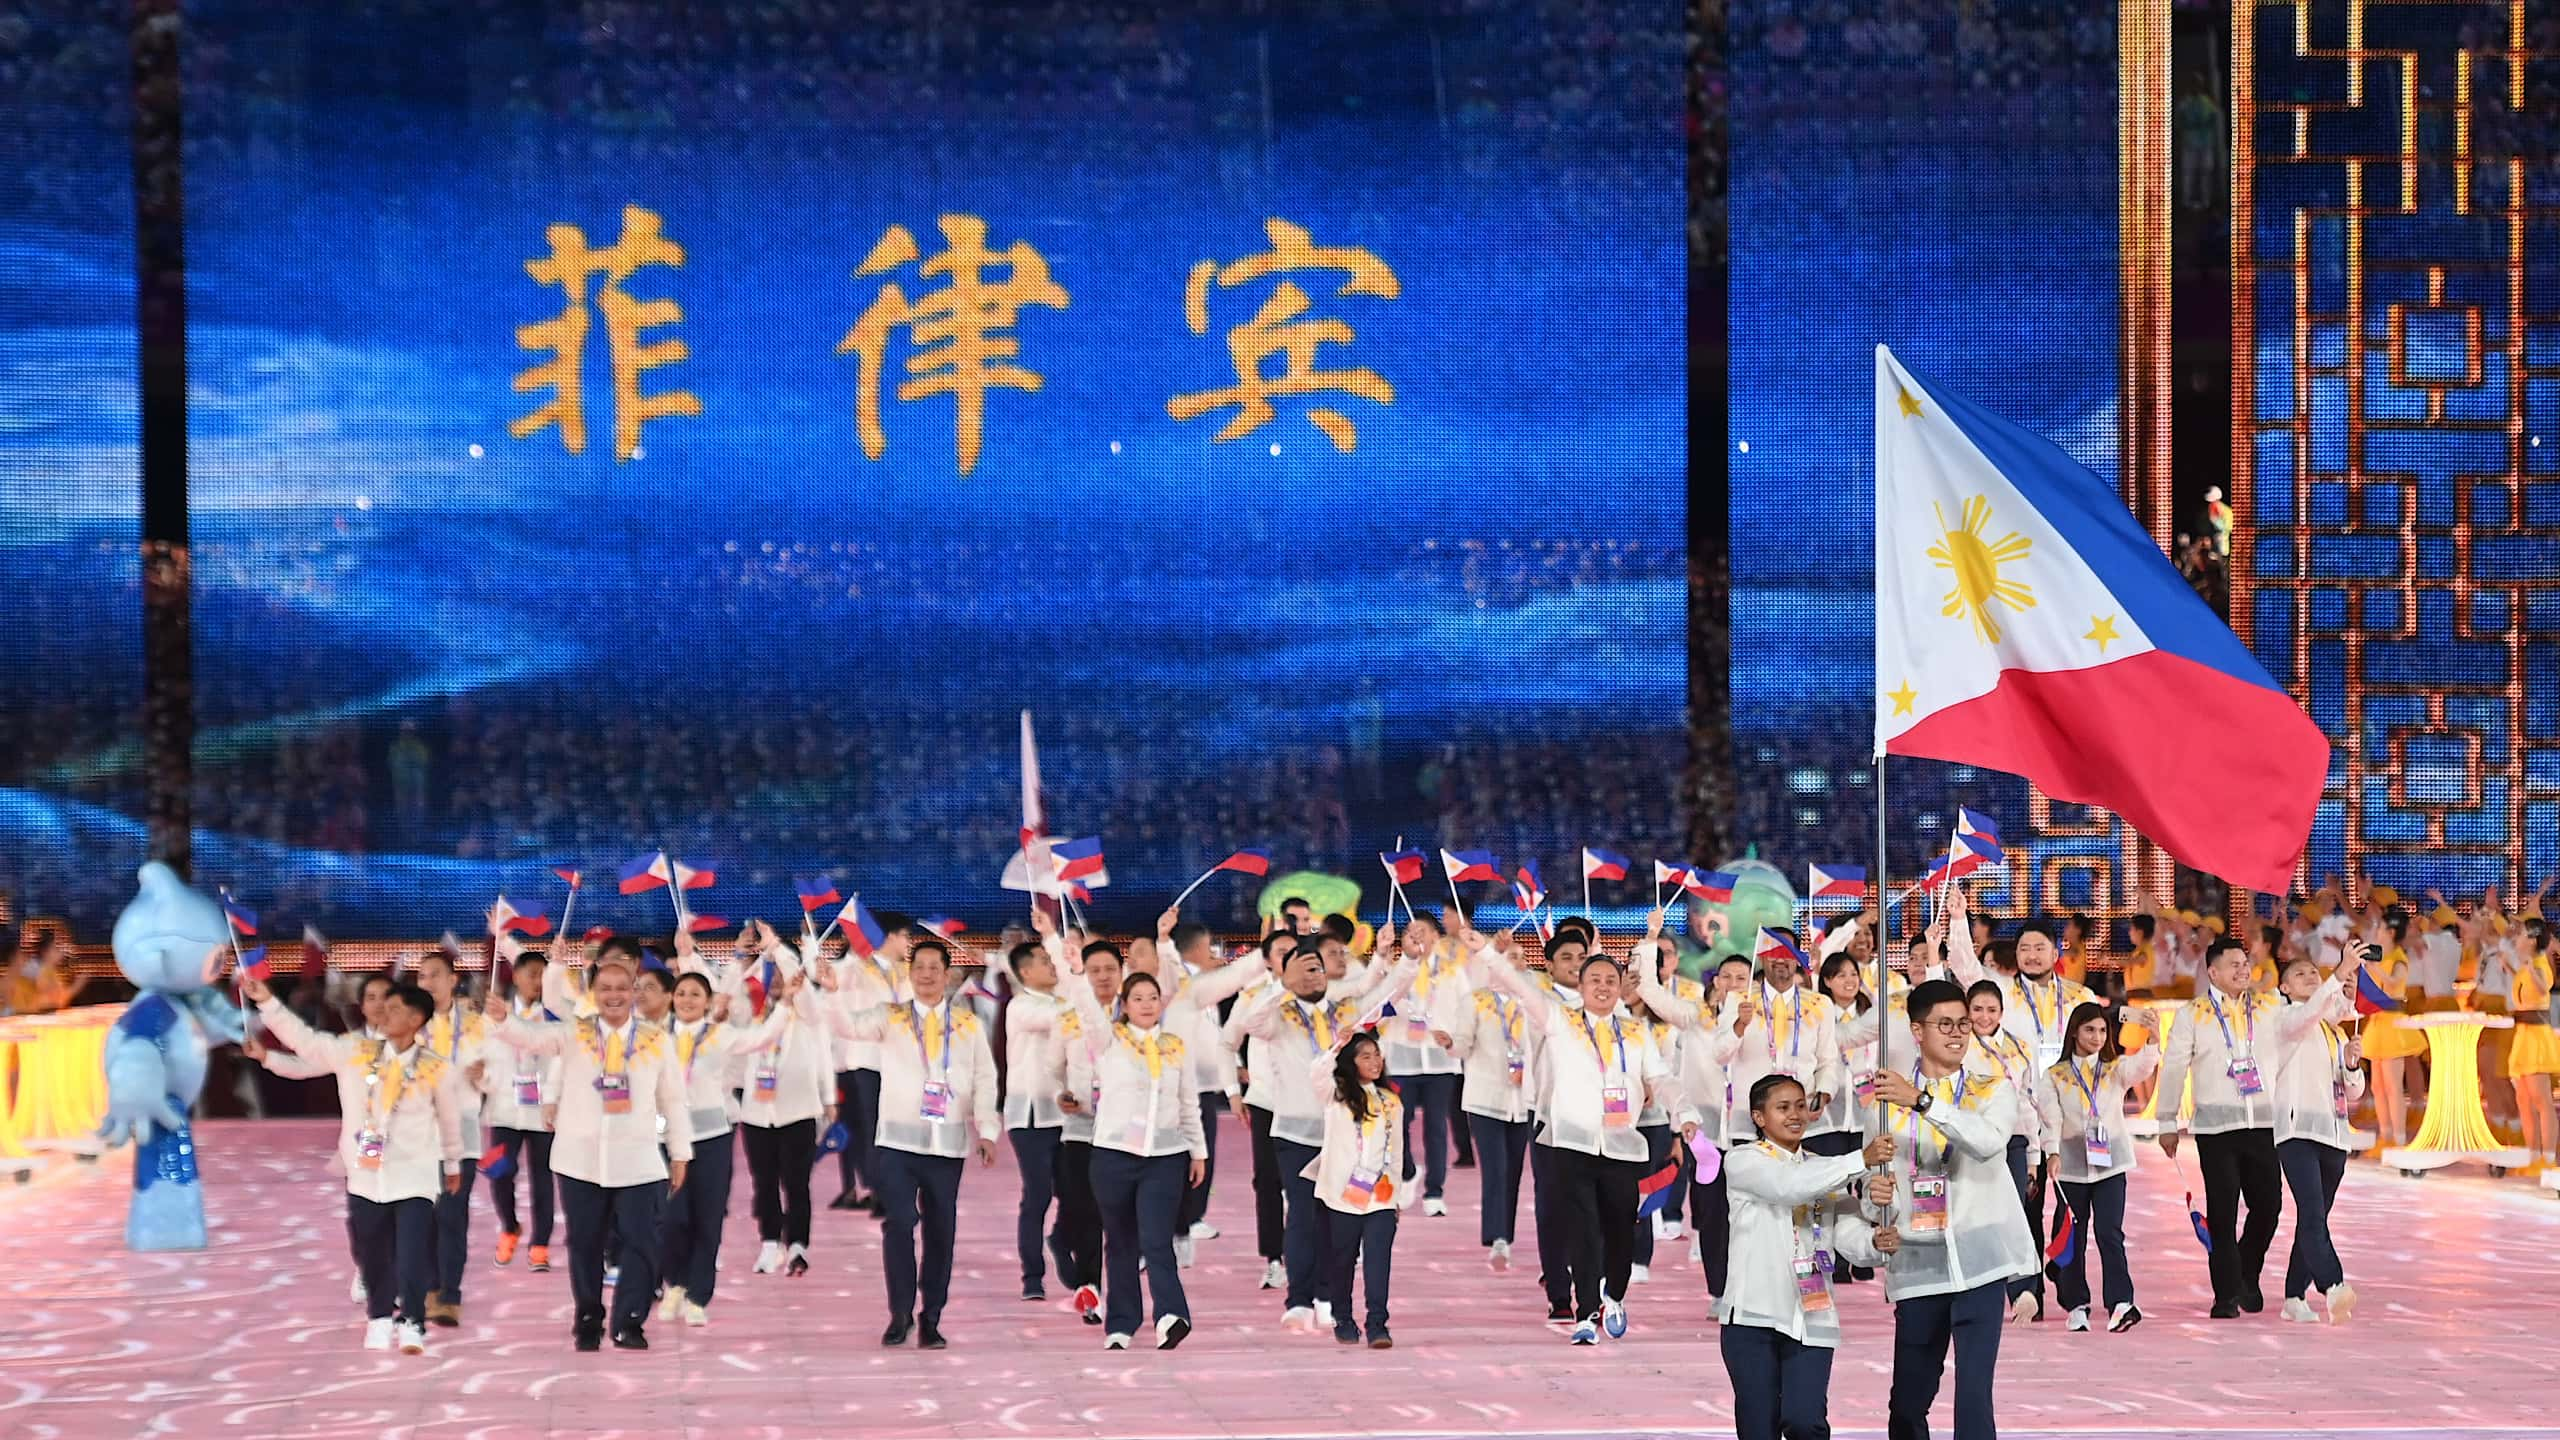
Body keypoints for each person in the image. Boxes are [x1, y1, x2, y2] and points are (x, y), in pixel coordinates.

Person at [1471, 927, 1697, 1345]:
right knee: (1582, 1229)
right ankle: (1586, 1312)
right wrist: (1486, 951)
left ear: (1620, 988)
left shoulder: (1635, 1032)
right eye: (1594, 979)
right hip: (1570, 1145)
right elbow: (1519, 986)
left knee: (1619, 1231)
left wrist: (1683, 1111)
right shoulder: (1559, 1021)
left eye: (1611, 980)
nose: (1603, 987)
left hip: (1622, 1146)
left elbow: (1661, 1078)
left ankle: (1614, 1295)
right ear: (1580, 984)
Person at [245, 971, 464, 1355]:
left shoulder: (437, 1067)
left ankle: (412, 1321)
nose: (384, 1012)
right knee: (372, 1251)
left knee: (412, 1253)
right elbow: (306, 1043)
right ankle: (379, 1318)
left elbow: (449, 1120)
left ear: (416, 1020)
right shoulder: (353, 1051)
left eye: (394, 1008)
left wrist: (453, 1164)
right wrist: (267, 1003)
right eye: (380, 1004)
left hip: (414, 1175)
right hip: (365, 1174)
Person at [489, 953, 692, 1351]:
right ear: (593, 994)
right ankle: (588, 1316)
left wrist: (680, 1152)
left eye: (621, 988)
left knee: (642, 1242)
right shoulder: (573, 1034)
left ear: (634, 992)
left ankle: (629, 1320)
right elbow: (531, 1037)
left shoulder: (656, 1041)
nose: (613, 995)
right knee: (584, 1242)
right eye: (605, 989)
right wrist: (502, 1019)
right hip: (579, 1160)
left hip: (638, 1161)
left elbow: (673, 1100)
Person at [1866, 978, 2037, 1440]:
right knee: (1907, 1403)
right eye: (1945, 1024)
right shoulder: (1883, 1103)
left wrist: (1923, 1102)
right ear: (1917, 1031)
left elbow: (1987, 1143)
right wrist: (1872, 1197)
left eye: (1963, 1024)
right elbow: (1869, 1181)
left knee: (1974, 1395)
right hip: (1920, 1261)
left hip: (1980, 1260)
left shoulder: (1993, 1089)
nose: (1958, 1033)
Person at [1223, 931, 1417, 1334]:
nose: (1312, 974)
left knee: (1336, 1219)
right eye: (1302, 967)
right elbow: (1249, 1022)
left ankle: (1330, 1296)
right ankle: (1298, 1298)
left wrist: (1408, 961)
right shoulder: (1276, 1010)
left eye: (1316, 967)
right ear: (1286, 972)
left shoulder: (1344, 1010)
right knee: (1301, 1215)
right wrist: (1282, 986)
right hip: (1295, 1131)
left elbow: (1387, 995)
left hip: (1342, 1137)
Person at [816, 936, 1001, 1348]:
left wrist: (987, 1130)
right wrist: (831, 995)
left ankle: (932, 1315)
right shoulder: (891, 1016)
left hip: (947, 1145)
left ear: (948, 974)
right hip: (897, 1143)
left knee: (941, 1231)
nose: (927, 975)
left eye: (936, 968)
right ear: (909, 973)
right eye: (919, 968)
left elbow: (985, 1079)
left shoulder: (968, 1025)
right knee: (899, 1223)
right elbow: (848, 1027)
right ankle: (899, 1313)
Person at [2157, 936, 2333, 1318]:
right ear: (2213, 971)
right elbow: (2173, 1066)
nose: (2242, 970)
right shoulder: (2193, 1013)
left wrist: (2338, 984)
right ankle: (2225, 1295)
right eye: (2233, 964)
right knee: (2222, 1211)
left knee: (2269, 1207)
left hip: (2264, 1123)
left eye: (2245, 963)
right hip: (2215, 1127)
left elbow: (2308, 1015)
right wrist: (2166, 1119)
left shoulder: (2271, 1005)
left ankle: (2246, 1275)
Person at [1721, 1075, 1896, 1440]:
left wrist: (1876, 1243)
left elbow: (1850, 1239)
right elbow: (1788, 1186)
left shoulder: (1824, 1169)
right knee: (1758, 1428)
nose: (1795, 1115)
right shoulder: (1742, 1161)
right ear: (1759, 1117)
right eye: (1782, 1108)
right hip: (1754, 1317)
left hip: (1812, 1315)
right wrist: (1860, 1159)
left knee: (1807, 1423)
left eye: (1800, 1106)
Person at [1058, 963, 1206, 1350]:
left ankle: (1171, 1315)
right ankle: (1121, 1323)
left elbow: (1189, 1101)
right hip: (1113, 1155)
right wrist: (1071, 967)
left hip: (1165, 1155)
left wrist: (1198, 1151)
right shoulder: (1108, 1040)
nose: (1146, 1004)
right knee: (1120, 1241)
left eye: (1152, 998)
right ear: (1124, 1004)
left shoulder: (1174, 1046)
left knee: (1156, 1239)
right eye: (1137, 998)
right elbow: (1086, 1005)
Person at [655, 969, 799, 1326]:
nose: (687, 1000)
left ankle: (698, 1297)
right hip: (667, 1139)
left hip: (712, 1139)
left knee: (707, 1218)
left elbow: (763, 1036)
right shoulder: (656, 1036)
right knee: (672, 1218)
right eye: (682, 993)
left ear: (708, 1002)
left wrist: (785, 1004)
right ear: (672, 998)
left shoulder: (721, 1036)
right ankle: (674, 1282)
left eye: (695, 995)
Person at [1143, 908, 1260, 1267]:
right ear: (1192, 950)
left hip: (1204, 1088)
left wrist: (1234, 1070)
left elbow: (1216, 1037)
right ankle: (1162, 1233)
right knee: (1166, 1165)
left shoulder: (1203, 989)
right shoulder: (1178, 983)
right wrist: (1163, 940)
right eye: (1210, 949)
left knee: (1200, 1160)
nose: (1216, 956)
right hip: (1169, 1089)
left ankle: (1185, 1225)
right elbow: (1170, 972)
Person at [2033, 1001, 2158, 1333]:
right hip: (2072, 1166)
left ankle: (2121, 1302)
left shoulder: (2115, 1068)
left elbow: (2142, 1067)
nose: (2098, 1036)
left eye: (2103, 1030)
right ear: (2075, 1031)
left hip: (2111, 1164)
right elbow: (2051, 1118)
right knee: (2073, 1234)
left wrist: (2153, 1039)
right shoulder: (2054, 1076)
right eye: (2090, 1029)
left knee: (2110, 1233)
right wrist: (2053, 1153)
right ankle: (2075, 1303)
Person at [724, 921, 831, 1277]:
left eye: (784, 978)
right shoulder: (751, 1016)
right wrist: (740, 956)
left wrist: (779, 950)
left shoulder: (807, 1015)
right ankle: (770, 1242)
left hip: (798, 1110)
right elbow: (720, 997)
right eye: (772, 979)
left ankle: (798, 1244)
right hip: (756, 1113)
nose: (778, 984)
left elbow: (823, 1051)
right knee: (764, 1181)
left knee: (796, 1181)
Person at [2270, 947, 2367, 1324]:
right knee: (2311, 1211)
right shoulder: (2285, 1019)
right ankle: (2333, 1285)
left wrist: (2352, 1064)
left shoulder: (2333, 1030)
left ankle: (2294, 1295)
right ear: (2285, 987)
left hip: (2334, 1133)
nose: (2311, 978)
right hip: (2297, 1132)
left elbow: (2353, 1090)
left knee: (2317, 1218)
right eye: (2301, 975)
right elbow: (2309, 1013)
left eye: (2314, 972)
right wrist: (2338, 972)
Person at [1439, 913, 1534, 1273]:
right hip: (1484, 1099)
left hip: (1523, 1101)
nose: (1519, 965)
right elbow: (1463, 1045)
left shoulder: (1533, 1003)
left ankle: (1504, 1233)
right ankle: (1497, 1237)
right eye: (1512, 959)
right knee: (1494, 1168)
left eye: (1523, 960)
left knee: (1513, 1172)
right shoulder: (1476, 1001)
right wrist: (1451, 1043)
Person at [1959, 979, 2050, 1323]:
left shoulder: (2020, 1047)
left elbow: (2028, 1102)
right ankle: (1978, 1290)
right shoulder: (1959, 1045)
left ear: (2002, 1012)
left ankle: (2023, 1290)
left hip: (2012, 1140)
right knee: (1973, 1215)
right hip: (1971, 1140)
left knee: (2013, 1214)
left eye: (1991, 1010)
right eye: (1977, 1009)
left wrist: (2033, 1156)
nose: (1984, 1017)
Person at [1310, 1031, 1408, 1348]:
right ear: (1350, 1062)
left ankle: (1378, 1323)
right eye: (1365, 1055)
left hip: (1380, 1195)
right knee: (1343, 1259)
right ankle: (1344, 1316)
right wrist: (1338, 1042)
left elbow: (1397, 1151)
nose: (1374, 1061)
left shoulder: (1391, 1100)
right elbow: (1317, 1071)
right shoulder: (1336, 1094)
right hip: (1342, 1195)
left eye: (1377, 1054)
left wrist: (1396, 1196)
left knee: (1379, 1259)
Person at [993, 936, 1074, 1301]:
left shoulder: (1062, 1002)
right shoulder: (1021, 1006)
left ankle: (1060, 1240)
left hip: (1066, 1113)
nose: (1052, 965)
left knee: (1073, 1194)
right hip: (1029, 1116)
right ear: (1025, 971)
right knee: (1038, 1194)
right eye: (1044, 960)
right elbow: (1061, 1018)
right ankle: (1032, 1274)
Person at [413, 946, 488, 1328]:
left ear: (452, 979)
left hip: (462, 1131)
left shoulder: (477, 1023)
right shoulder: (408, 1023)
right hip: (420, 1132)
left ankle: (449, 1296)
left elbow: (498, 1069)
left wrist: (484, 1077)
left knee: (452, 1215)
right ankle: (426, 1288)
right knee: (421, 1214)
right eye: (421, 976)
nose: (427, 982)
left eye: (434, 975)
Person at [1377, 908, 1468, 1217]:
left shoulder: (1453, 972)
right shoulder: (1395, 969)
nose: (1417, 938)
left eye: (1423, 932)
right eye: (1410, 934)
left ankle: (1434, 1192)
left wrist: (1455, 1039)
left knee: (1436, 1128)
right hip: (1401, 1058)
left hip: (1439, 1061)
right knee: (1397, 1123)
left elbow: (1467, 1010)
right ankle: (1406, 1172)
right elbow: (1378, 1005)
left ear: (1436, 937)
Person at [830, 910, 914, 1215]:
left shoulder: (905, 972)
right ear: (888, 937)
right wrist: (856, 948)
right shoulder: (856, 967)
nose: (908, 942)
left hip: (893, 1061)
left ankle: (886, 1188)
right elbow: (835, 980)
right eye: (904, 935)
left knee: (887, 1128)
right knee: (860, 1129)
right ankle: (868, 1187)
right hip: (858, 1061)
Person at [481, 951, 559, 1272]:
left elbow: (559, 1061)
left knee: (543, 1179)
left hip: (542, 1110)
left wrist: (556, 1098)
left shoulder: (555, 1016)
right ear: (516, 976)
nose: (538, 982)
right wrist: (482, 1080)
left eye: (543, 975)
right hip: (504, 1109)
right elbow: (482, 1057)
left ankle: (540, 1244)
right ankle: (509, 1226)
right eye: (532, 974)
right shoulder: (492, 1015)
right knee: (500, 1171)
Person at [1232, 929, 1299, 1292]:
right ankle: (1274, 1259)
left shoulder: (1316, 993)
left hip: (1307, 1103)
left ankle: (1316, 1251)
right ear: (1268, 958)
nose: (1288, 955)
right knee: (1267, 1182)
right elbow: (1229, 1040)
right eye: (1280, 950)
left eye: (1293, 949)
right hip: (1264, 1101)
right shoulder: (1254, 995)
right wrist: (1232, 1090)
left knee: (1309, 1181)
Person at [2355, 910, 2422, 1150]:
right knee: (2378, 1085)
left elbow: (2394, 983)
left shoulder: (2399, 958)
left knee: (2393, 1085)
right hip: (2378, 1023)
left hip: (2393, 1024)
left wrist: (2374, 968)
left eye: (2381, 929)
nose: (2377, 933)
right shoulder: (2381, 957)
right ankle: (2385, 1136)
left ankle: (2400, 1139)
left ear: (2391, 932)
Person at [2506, 919, 2558, 1169]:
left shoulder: (2540, 966)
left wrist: (2528, 968)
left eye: (2523, 935)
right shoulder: (2525, 967)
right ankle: (2532, 1155)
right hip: (2523, 1036)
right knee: (2524, 1100)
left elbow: (2542, 989)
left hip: (2536, 1038)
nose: (2518, 939)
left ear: (2533, 940)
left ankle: (2547, 1158)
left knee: (2541, 1100)